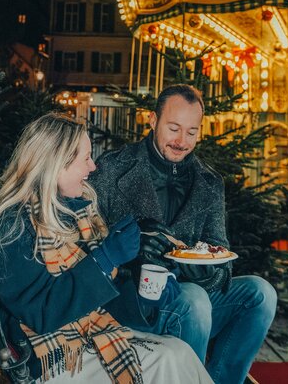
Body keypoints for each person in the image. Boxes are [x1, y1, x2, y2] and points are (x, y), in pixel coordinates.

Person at [0, 112, 213, 384]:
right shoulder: (12, 225)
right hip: (49, 355)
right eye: (85, 158)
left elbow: (100, 303)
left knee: (179, 352)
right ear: (56, 163)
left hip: (91, 333)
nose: (92, 168)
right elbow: (41, 313)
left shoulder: (78, 212)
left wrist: (142, 298)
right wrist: (104, 258)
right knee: (169, 357)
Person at [91, 84, 277, 384]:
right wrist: (130, 254)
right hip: (132, 300)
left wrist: (206, 273)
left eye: (192, 132)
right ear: (152, 120)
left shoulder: (209, 183)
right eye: (174, 128)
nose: (181, 141)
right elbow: (83, 243)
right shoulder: (113, 169)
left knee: (261, 294)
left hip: (191, 299)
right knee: (195, 300)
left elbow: (222, 260)